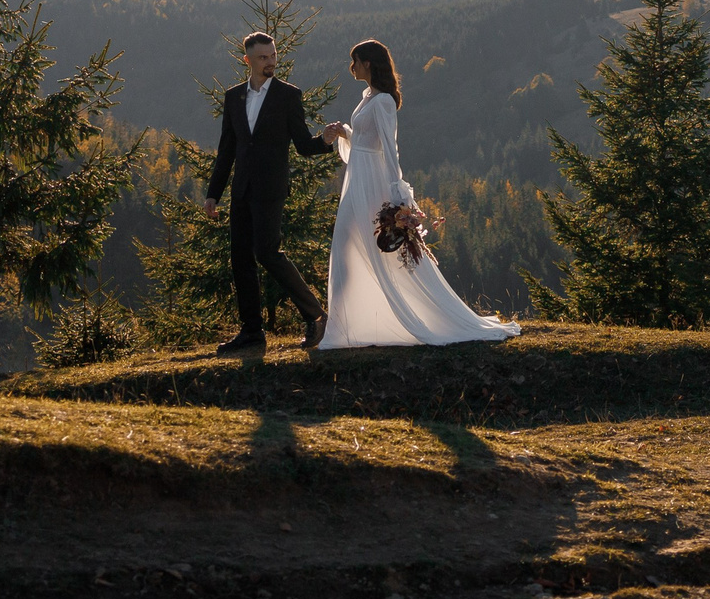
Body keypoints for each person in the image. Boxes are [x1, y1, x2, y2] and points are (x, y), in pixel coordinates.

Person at [318, 38, 519, 350]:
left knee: (360, 243)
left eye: (354, 60)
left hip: (372, 181)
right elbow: (365, 142)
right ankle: (344, 323)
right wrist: (346, 133)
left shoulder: (382, 101)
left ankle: (352, 325)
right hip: (358, 177)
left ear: (368, 63)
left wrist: (397, 193)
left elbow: (389, 147)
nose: (351, 67)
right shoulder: (369, 96)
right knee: (347, 243)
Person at [203, 30, 347, 356]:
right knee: (241, 259)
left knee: (267, 253)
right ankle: (252, 333)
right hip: (241, 190)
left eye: (273, 56)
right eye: (264, 57)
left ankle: (315, 315)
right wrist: (214, 194)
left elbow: (302, 145)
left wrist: (323, 141)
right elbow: (227, 150)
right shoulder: (234, 96)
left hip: (270, 189)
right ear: (248, 60)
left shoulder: (287, 95)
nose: (271, 62)